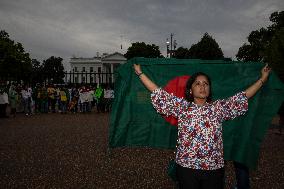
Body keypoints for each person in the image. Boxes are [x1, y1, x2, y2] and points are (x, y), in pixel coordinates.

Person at [133, 63, 271, 189]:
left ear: (209, 90)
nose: (202, 86)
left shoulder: (218, 108)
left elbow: (243, 97)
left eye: (205, 83)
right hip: (186, 168)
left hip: (213, 169)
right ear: (191, 90)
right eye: (197, 83)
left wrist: (262, 79)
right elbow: (158, 93)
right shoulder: (182, 107)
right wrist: (140, 73)